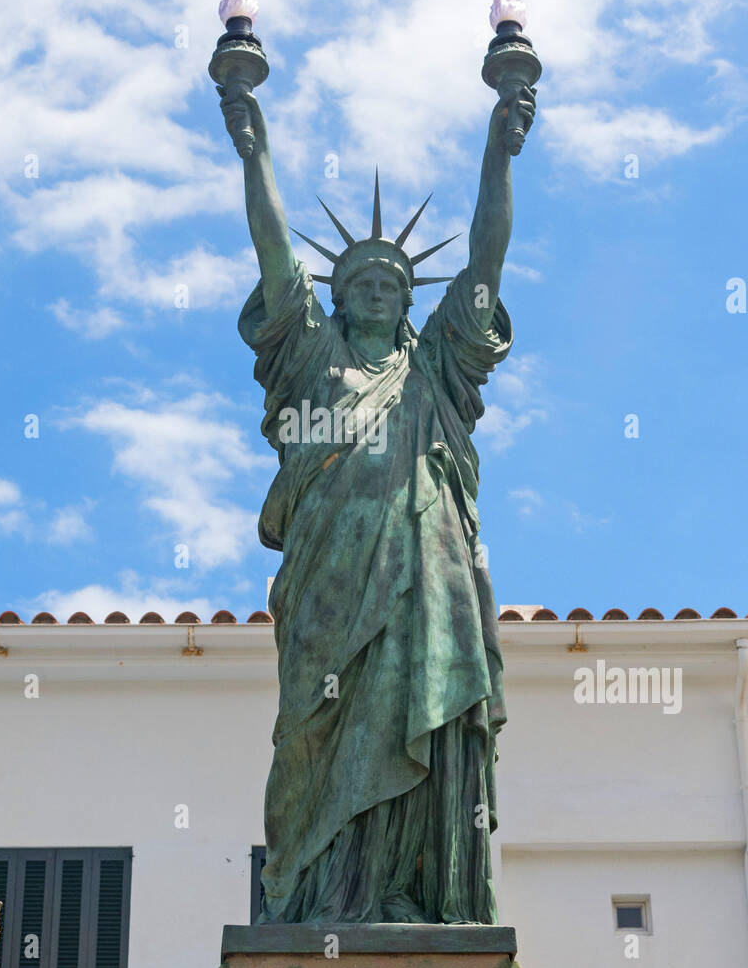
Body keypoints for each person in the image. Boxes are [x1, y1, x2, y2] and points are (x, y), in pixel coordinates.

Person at [219, 77, 536, 923]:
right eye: (359, 277)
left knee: (416, 718)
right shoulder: (308, 358)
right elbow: (273, 254)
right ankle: (310, 899)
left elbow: (485, 263)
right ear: (335, 294)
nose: (375, 285)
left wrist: (498, 150)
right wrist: (254, 151)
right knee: (312, 739)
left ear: (407, 305)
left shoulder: (431, 368)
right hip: (326, 582)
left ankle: (399, 891)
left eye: (392, 282)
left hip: (423, 577)